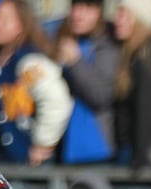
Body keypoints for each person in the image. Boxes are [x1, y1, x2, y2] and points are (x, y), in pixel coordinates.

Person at [0, 0, 73, 166]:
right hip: (2, 161)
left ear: (21, 24)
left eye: (4, 20)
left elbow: (57, 100)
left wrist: (42, 143)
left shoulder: (29, 62)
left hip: (28, 166)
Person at [53, 0, 118, 165]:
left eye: (87, 8)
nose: (78, 15)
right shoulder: (61, 40)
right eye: (75, 7)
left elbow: (101, 96)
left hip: (96, 151)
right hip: (65, 149)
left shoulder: (107, 48)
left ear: (99, 13)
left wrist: (75, 62)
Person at [110, 0, 151, 170]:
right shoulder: (131, 54)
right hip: (132, 153)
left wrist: (141, 162)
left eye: (125, 14)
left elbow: (148, 113)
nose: (117, 20)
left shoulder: (147, 58)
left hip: (139, 159)